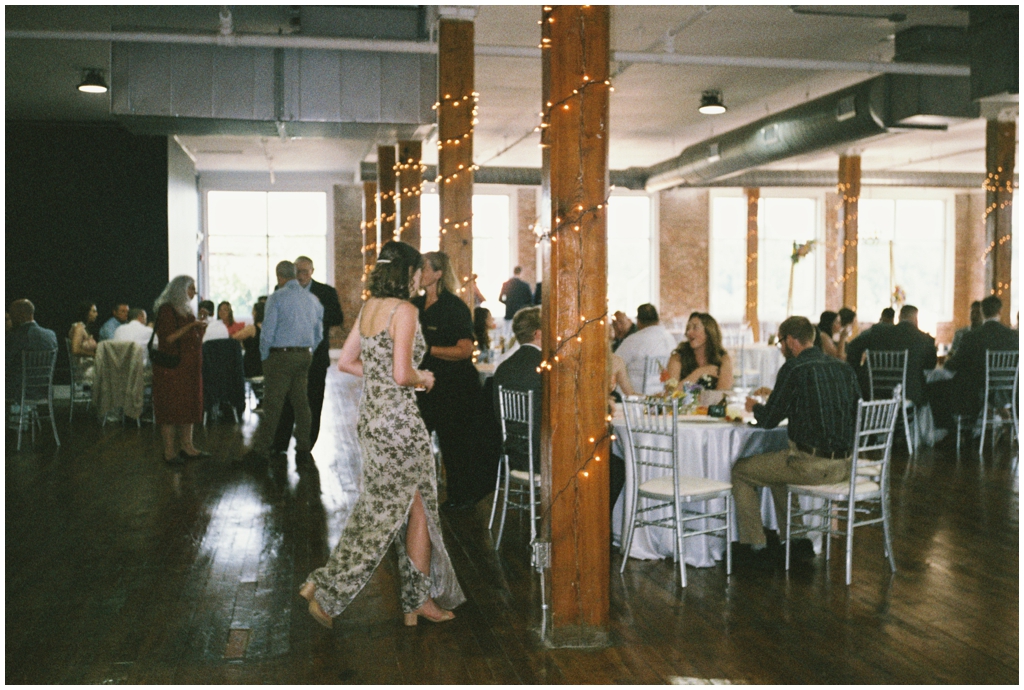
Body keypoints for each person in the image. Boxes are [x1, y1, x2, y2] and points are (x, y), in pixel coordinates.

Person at [299, 240, 464, 629]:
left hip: (373, 420)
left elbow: (347, 362)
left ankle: (418, 600)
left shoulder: (370, 308)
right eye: (418, 271)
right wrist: (424, 379)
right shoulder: (404, 310)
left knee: (416, 505)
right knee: (383, 514)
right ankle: (327, 591)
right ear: (407, 273)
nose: (421, 277)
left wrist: (393, 377)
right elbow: (402, 374)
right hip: (400, 425)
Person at [731, 316, 861, 568]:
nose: (780, 348)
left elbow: (769, 420)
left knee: (741, 471)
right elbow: (852, 412)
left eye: (781, 342)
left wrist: (754, 407)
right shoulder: (843, 368)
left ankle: (753, 546)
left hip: (811, 466)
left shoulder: (793, 369)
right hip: (846, 465)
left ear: (791, 341)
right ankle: (797, 539)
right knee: (778, 464)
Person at [412, 251, 494, 509]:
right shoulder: (414, 306)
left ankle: (462, 497)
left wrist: (429, 350)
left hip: (454, 386)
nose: (419, 274)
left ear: (437, 274)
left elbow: (465, 349)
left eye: (424, 269)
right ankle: (415, 496)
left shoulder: (454, 307)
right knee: (416, 439)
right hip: (424, 385)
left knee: (454, 443)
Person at [245, 260, 323, 463]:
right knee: (301, 403)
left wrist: (264, 356)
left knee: (273, 405)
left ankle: (261, 451)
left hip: (280, 356)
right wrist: (309, 350)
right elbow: (318, 333)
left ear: (279, 276)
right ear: (295, 275)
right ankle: (304, 448)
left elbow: (267, 331)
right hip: (304, 356)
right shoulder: (312, 299)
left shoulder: (276, 298)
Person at [272, 256, 344, 453]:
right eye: (298, 271)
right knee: (286, 401)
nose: (301, 276)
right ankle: (280, 444)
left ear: (312, 271)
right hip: (288, 355)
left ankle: (306, 445)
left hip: (316, 357)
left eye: (305, 271)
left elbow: (338, 317)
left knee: (313, 400)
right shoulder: (282, 291)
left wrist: (315, 311)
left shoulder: (325, 292)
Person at [931, 295, 1018, 432]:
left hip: (975, 393)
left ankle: (953, 432)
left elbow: (953, 365)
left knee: (936, 388)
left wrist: (947, 362)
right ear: (1000, 311)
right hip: (1009, 391)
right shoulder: (1015, 336)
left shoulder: (971, 336)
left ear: (982, 312)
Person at [152, 276, 209, 465]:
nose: (194, 293)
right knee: (170, 409)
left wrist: (200, 323)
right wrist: (192, 325)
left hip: (189, 369)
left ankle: (188, 446)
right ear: (179, 290)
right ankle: (169, 452)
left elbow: (195, 339)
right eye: (190, 289)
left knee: (189, 407)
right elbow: (168, 338)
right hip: (172, 369)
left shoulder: (187, 311)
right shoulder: (166, 310)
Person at [845, 305, 936, 407]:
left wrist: (857, 371)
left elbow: (852, 347)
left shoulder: (878, 332)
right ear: (916, 319)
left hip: (874, 391)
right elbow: (930, 367)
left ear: (899, 317)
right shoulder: (925, 339)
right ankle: (910, 422)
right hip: (908, 394)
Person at [492, 306, 543, 472]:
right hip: (541, 455)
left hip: (512, 452)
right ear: (538, 333)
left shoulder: (504, 367)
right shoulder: (545, 368)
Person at [613, 304, 679, 394]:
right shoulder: (670, 338)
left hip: (633, 397)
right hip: (663, 396)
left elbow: (614, 362)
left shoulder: (634, 340)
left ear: (639, 321)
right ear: (658, 319)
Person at [664, 312, 734, 391]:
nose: (689, 332)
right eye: (688, 328)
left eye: (695, 328)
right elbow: (671, 394)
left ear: (709, 331)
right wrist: (699, 372)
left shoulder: (723, 359)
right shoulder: (677, 358)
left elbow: (723, 392)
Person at [7, 299, 58, 398]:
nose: (11, 318)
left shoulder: (15, 337)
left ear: (21, 315)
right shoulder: (51, 335)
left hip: (19, 390)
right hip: (45, 390)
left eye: (12, 315)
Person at [68, 301, 99, 382]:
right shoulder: (79, 328)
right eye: (94, 311)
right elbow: (75, 350)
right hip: (84, 370)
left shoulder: (84, 328)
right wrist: (93, 354)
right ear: (86, 313)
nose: (96, 314)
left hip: (88, 366)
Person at [498, 266, 534, 333]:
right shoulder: (525, 285)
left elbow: (500, 298)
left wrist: (508, 303)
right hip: (520, 314)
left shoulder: (506, 284)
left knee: (507, 335)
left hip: (509, 313)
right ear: (521, 273)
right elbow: (530, 301)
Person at [237, 301, 265, 379]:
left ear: (256, 313)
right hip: (265, 367)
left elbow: (234, 337)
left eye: (253, 311)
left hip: (252, 366)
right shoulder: (270, 329)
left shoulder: (251, 329)